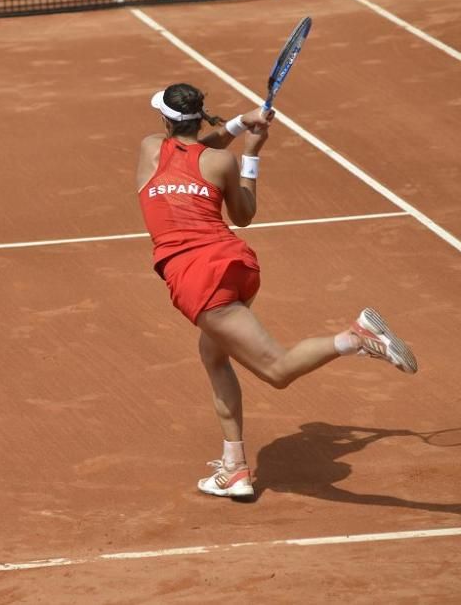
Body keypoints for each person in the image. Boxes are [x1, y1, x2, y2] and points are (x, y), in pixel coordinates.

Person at [137, 83, 417, 499]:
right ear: (200, 115)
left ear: (165, 119)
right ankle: (234, 468)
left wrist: (244, 137)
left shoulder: (149, 149)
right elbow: (243, 213)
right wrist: (250, 149)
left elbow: (193, 150)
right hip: (238, 266)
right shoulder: (222, 163)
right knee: (213, 354)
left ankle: (354, 338)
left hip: (199, 281)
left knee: (277, 371)